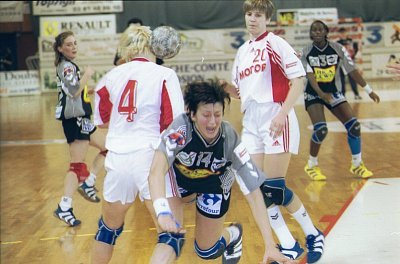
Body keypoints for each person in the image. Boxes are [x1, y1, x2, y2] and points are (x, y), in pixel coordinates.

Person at [148, 79, 297, 264]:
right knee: (171, 238)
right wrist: (162, 212)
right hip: (181, 184)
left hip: (213, 184)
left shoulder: (229, 139)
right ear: (192, 114)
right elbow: (155, 171)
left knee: (207, 251)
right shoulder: (180, 130)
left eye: (217, 114)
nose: (212, 122)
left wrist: (270, 245)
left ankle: (233, 235)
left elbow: (254, 194)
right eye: (206, 115)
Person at [222, 1, 324, 263]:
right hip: (252, 124)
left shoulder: (275, 43)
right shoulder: (242, 51)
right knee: (257, 189)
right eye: (248, 14)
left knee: (275, 189)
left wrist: (281, 114)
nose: (252, 19)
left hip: (276, 116)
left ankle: (313, 234)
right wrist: (227, 89)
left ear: (267, 18)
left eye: (257, 15)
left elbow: (298, 80)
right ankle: (289, 244)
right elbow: (241, 92)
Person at [90, 25, 185, 264]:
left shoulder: (110, 76)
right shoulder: (164, 75)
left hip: (117, 160)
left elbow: (101, 121)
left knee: (108, 230)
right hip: (151, 158)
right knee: (171, 235)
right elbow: (174, 124)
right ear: (152, 47)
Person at [301, 20, 380, 181]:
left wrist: (369, 90)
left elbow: (352, 71)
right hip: (314, 93)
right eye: (313, 30)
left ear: (326, 32)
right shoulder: (306, 52)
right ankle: (311, 165)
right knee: (321, 129)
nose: (316, 32)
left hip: (333, 92)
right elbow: (310, 76)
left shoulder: (338, 48)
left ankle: (357, 164)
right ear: (310, 33)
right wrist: (321, 94)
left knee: (354, 126)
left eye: (320, 30)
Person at [53, 31, 107, 227]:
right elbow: (74, 91)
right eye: (68, 44)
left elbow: (73, 91)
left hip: (82, 119)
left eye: (75, 43)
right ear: (60, 48)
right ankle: (65, 206)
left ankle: (89, 182)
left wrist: (88, 89)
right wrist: (87, 75)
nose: (73, 47)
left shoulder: (69, 65)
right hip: (74, 120)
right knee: (76, 165)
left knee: (108, 148)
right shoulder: (66, 66)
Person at [336, 27, 362, 100]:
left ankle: (356, 94)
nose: (343, 34)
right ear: (339, 34)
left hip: (350, 63)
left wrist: (354, 56)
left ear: (346, 33)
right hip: (341, 64)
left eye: (344, 33)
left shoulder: (351, 41)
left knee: (353, 79)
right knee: (341, 80)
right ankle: (342, 95)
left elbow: (355, 50)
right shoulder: (337, 43)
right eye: (341, 33)